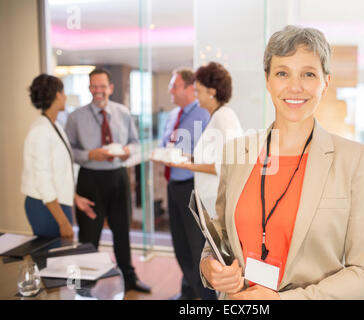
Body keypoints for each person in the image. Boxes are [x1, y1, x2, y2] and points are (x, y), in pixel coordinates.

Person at [199, 25, 364, 299]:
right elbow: (221, 233)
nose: (295, 86)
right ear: (268, 80)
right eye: (282, 73)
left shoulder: (354, 160)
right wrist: (208, 265)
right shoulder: (236, 153)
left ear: (326, 81)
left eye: (308, 74)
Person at [65, 67, 150, 293]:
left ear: (110, 88)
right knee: (88, 235)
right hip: (90, 179)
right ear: (89, 87)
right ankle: (83, 284)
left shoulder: (123, 112)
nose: (98, 91)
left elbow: (135, 143)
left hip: (118, 177)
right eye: (94, 86)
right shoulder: (75, 117)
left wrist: (125, 151)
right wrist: (89, 155)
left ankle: (129, 278)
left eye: (103, 86)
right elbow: (69, 151)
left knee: (122, 231)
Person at [151, 68, 213, 300]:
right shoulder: (172, 115)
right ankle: (188, 290)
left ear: (189, 88)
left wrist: (182, 155)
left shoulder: (204, 115)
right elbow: (166, 144)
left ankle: (205, 297)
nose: (170, 91)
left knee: (196, 245)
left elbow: (207, 155)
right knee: (179, 244)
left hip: (192, 187)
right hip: (173, 185)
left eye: (174, 86)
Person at [22, 74, 96, 239]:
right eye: (63, 93)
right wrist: (63, 222)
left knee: (58, 259)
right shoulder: (40, 131)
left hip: (55, 203)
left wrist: (74, 197)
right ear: (57, 94)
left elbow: (59, 173)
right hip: (45, 206)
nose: (65, 97)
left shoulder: (54, 126)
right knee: (51, 259)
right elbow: (43, 180)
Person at [164, 62, 243, 217]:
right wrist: (188, 157)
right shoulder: (216, 116)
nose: (195, 96)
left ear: (212, 92)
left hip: (216, 201)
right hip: (208, 198)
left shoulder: (223, 117)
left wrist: (187, 166)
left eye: (198, 91)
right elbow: (212, 157)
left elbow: (225, 165)